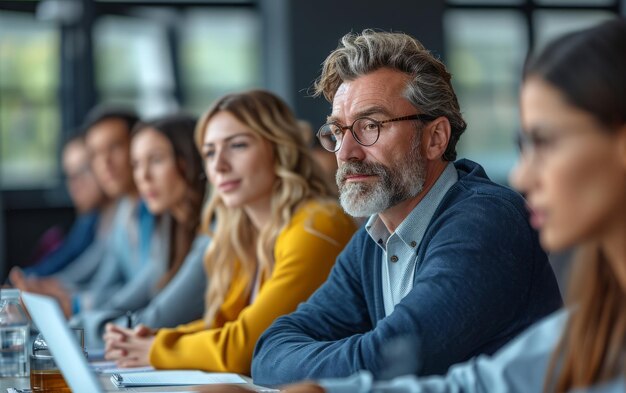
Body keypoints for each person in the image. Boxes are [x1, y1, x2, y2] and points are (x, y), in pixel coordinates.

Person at [218, 17, 625, 393]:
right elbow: (269, 349)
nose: (346, 151)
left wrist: (329, 381)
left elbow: (395, 361)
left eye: (370, 127)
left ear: (435, 139)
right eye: (338, 131)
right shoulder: (374, 237)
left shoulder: (486, 219)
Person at [102, 90, 357, 375]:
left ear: (279, 148)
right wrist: (154, 340)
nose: (219, 165)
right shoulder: (242, 234)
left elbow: (248, 345)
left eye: (237, 146)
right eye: (209, 152)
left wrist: (158, 348)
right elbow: (222, 324)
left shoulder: (317, 225)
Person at [10, 107, 162, 320]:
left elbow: (150, 288)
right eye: (96, 154)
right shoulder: (125, 210)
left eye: (115, 147)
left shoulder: (159, 210)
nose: (105, 163)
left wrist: (74, 304)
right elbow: (104, 281)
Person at [76, 114, 210, 347]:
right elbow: (123, 302)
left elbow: (154, 320)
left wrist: (72, 331)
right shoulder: (170, 229)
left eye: (156, 160)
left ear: (188, 161)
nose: (143, 177)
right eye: (136, 164)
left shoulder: (211, 233)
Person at [21, 134, 108, 277]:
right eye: (70, 175)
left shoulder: (115, 218)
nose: (75, 184)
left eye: (83, 170)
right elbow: (64, 257)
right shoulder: (88, 218)